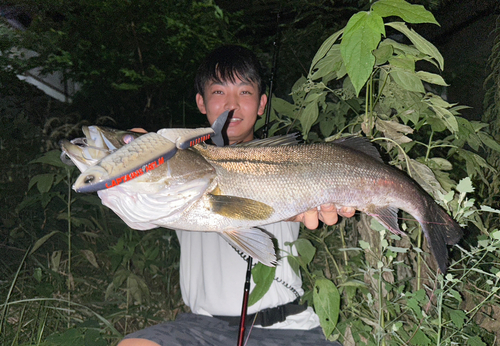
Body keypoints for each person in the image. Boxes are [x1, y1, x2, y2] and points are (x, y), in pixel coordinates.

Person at [118, 45, 355, 346]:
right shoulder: (177, 160)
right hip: (198, 329)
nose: (232, 106)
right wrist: (131, 156)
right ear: (201, 102)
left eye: (244, 92)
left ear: (261, 103)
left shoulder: (290, 157)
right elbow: (133, 207)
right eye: (219, 93)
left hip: (287, 327)